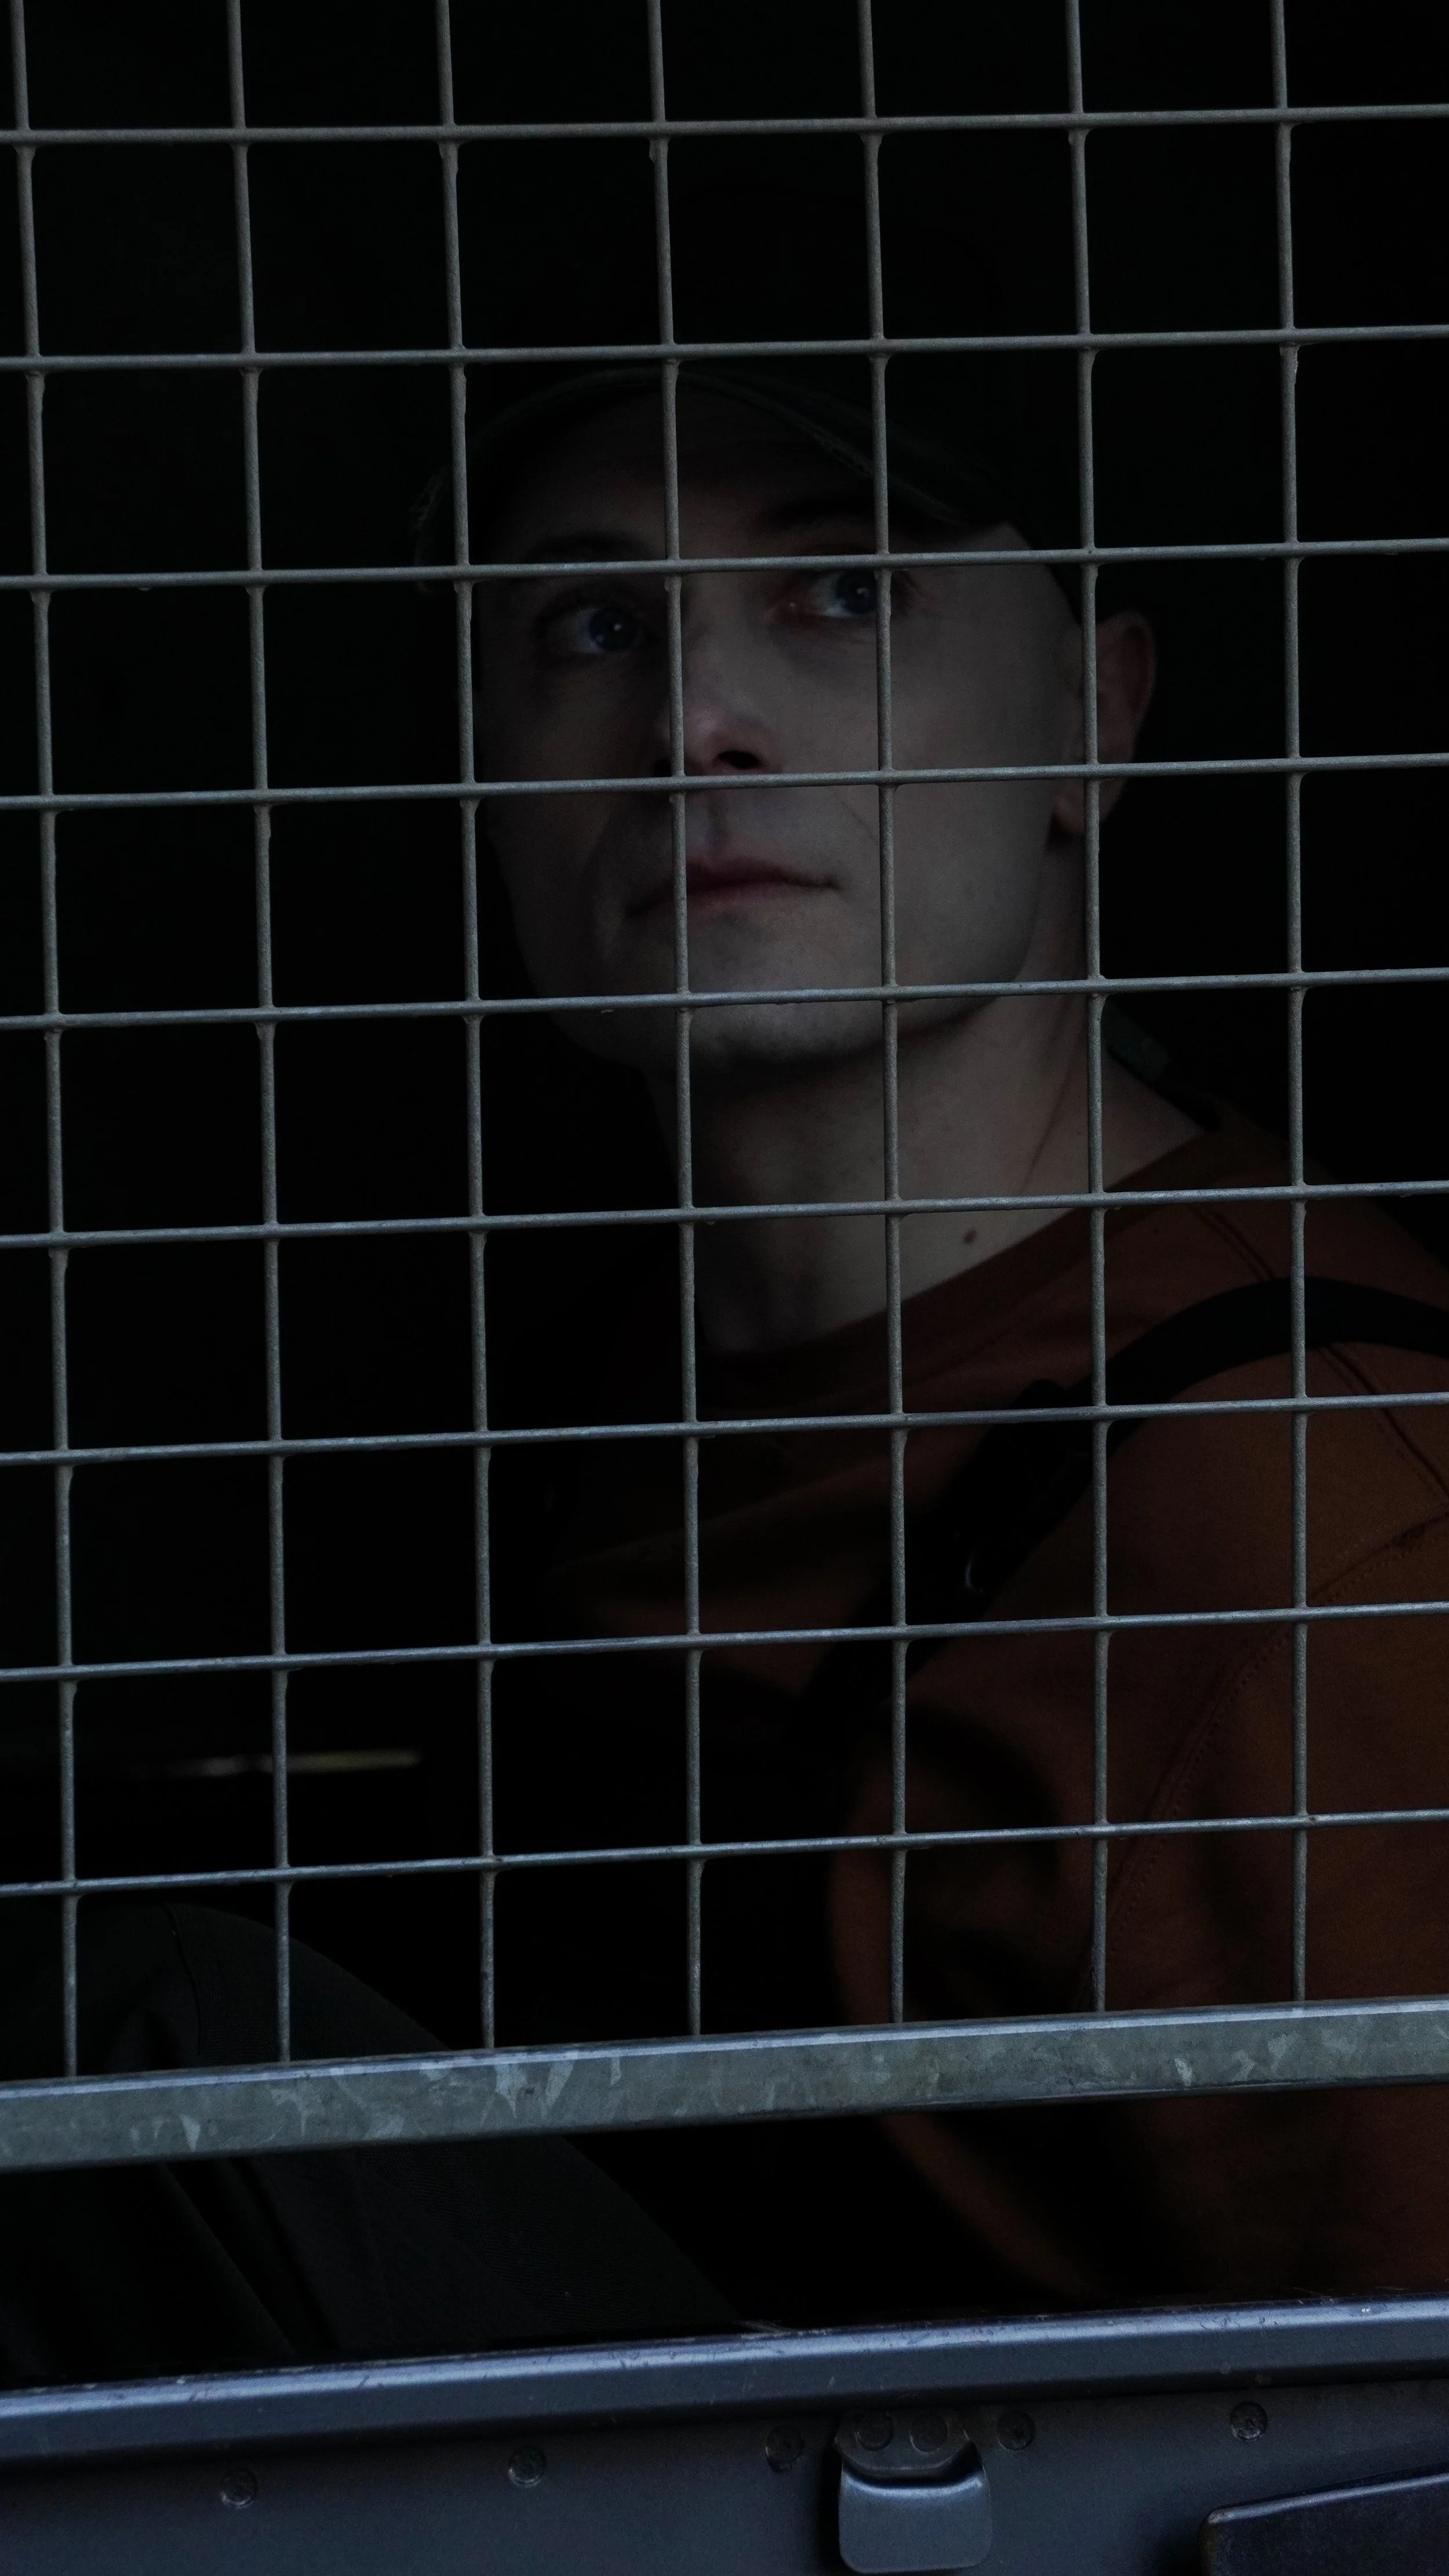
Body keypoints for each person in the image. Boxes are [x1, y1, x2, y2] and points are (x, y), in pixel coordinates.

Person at [438, 179, 1449, 2323]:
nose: (691, 724)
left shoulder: (1311, 1550)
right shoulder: (596, 1370)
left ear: (1093, 717)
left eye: (844, 591)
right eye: (591, 626)